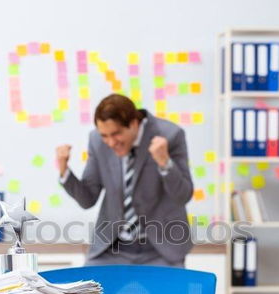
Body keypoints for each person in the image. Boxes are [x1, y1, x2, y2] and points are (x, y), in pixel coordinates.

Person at [56, 93, 194, 267]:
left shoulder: (170, 135)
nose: (111, 142)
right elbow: (88, 198)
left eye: (116, 134)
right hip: (112, 247)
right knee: (90, 291)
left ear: (134, 123)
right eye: (105, 135)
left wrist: (165, 163)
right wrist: (64, 170)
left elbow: (183, 195)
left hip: (161, 248)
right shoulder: (97, 140)